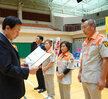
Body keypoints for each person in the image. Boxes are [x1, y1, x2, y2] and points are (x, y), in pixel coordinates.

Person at [0, 16, 38, 99]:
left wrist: (19, 66)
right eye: (17, 31)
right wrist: (28, 70)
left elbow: (4, 64)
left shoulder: (5, 41)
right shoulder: (1, 42)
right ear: (7, 28)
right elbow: (6, 68)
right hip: (8, 91)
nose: (18, 34)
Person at [78, 19, 108, 99]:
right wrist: (80, 72)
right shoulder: (85, 42)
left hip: (94, 79)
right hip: (84, 78)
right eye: (82, 28)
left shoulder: (102, 39)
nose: (83, 30)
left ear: (93, 26)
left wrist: (102, 79)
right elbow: (83, 58)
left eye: (85, 27)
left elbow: (106, 59)